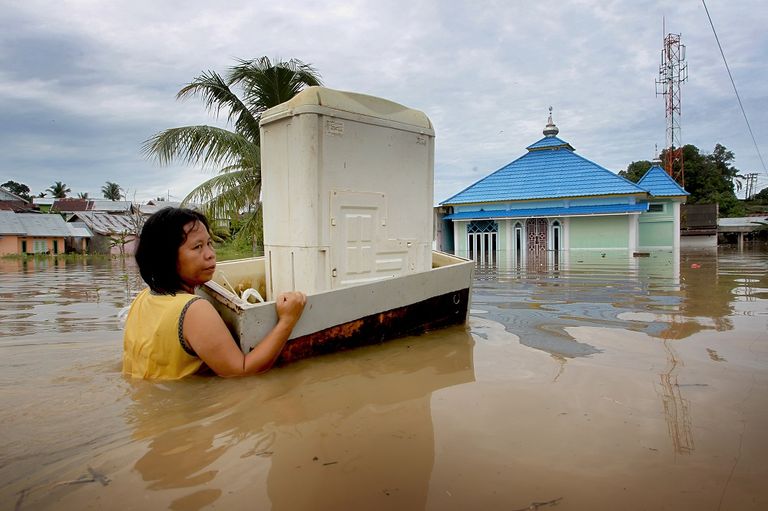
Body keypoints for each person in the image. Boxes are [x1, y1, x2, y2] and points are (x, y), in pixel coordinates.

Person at [123, 207, 306, 379]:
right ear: (167, 258)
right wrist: (287, 321)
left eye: (209, 243)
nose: (210, 254)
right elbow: (241, 372)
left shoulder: (143, 297)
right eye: (197, 247)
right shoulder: (194, 310)